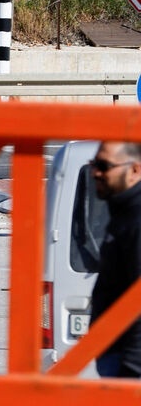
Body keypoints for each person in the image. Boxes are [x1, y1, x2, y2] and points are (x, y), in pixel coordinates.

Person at [89, 140, 141, 378]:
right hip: (115, 355)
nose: (95, 173)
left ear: (134, 170)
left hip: (127, 363)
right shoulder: (123, 209)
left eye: (103, 165)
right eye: (93, 164)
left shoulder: (136, 218)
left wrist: (131, 369)